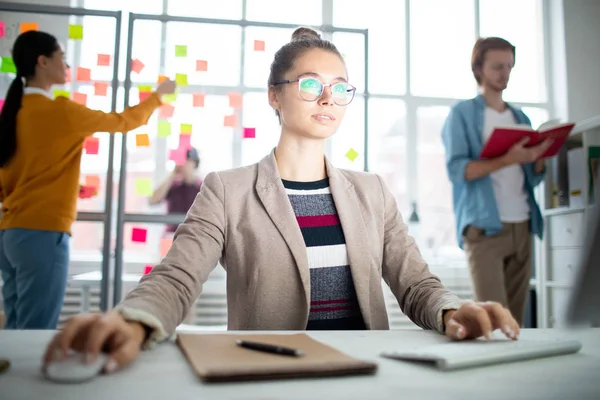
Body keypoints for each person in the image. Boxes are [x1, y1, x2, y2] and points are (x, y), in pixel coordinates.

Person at [43, 28, 520, 374]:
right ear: (275, 95)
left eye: (340, 89)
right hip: (268, 378)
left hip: (365, 374)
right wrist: (134, 320)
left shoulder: (372, 191)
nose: (327, 99)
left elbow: (417, 285)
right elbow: (178, 276)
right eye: (310, 84)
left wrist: (452, 310)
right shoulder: (227, 189)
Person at [0, 31, 176, 330]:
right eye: (62, 58)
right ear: (43, 62)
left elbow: (15, 177)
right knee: (35, 330)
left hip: (9, 235)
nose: (66, 66)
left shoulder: (11, 114)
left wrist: (67, 187)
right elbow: (124, 122)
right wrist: (159, 95)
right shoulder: (62, 111)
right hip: (43, 234)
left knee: (15, 328)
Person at [441, 37, 552, 326]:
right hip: (484, 227)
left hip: (523, 224)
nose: (505, 73)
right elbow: (458, 171)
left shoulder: (520, 116)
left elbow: (531, 179)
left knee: (517, 322)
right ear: (479, 69)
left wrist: (538, 159)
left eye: (509, 67)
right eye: (497, 66)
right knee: (492, 319)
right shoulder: (462, 114)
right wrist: (508, 158)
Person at [149, 147, 202, 233]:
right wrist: (173, 174)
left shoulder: (202, 187)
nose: (184, 165)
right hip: (172, 234)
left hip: (194, 235)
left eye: (187, 161)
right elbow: (153, 199)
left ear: (194, 163)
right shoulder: (173, 185)